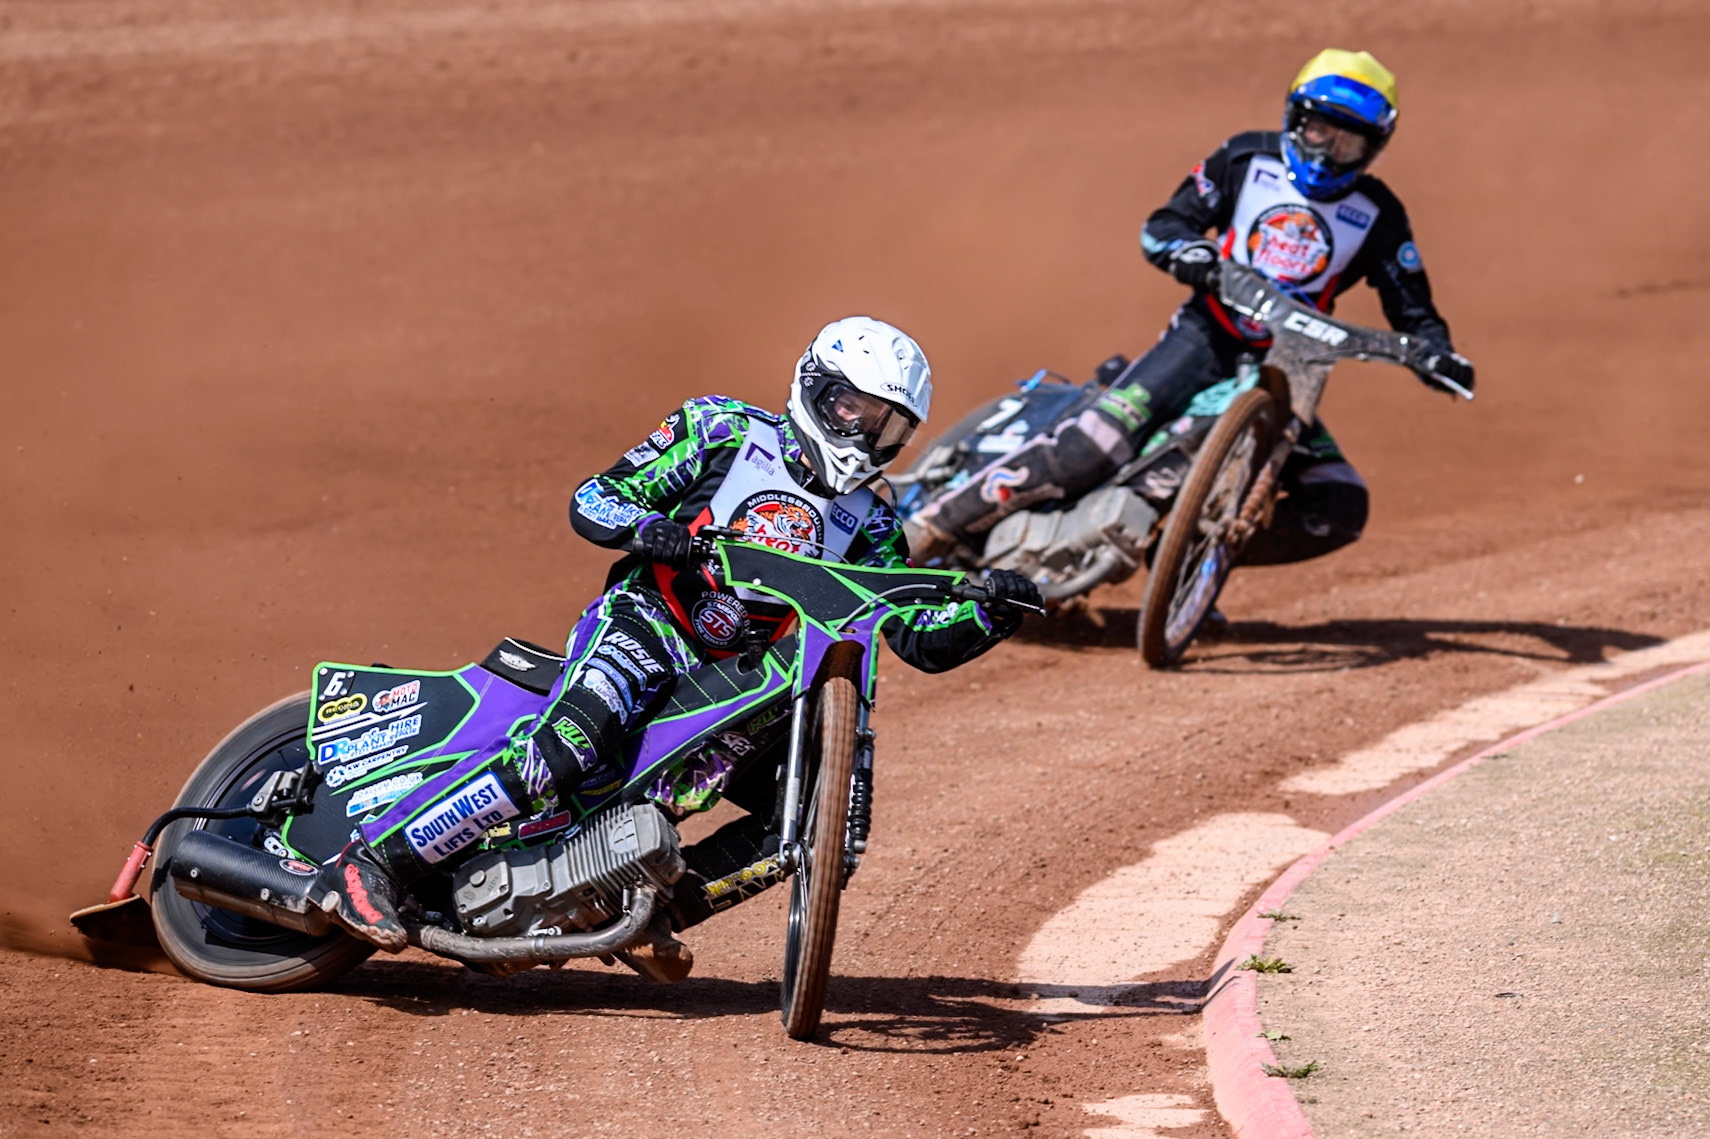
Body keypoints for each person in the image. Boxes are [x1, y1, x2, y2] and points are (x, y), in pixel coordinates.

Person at [312, 316, 1043, 959]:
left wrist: (991, 608)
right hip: (648, 623)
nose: (866, 435)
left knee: (813, 812)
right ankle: (372, 865)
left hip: (738, 680)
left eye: (887, 426)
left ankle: (643, 909)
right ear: (818, 390)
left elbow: (915, 634)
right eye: (856, 409)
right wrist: (649, 530)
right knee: (569, 745)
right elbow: (595, 497)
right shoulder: (723, 429)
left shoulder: (874, 523)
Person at [905, 48, 1476, 566]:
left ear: (1374, 148)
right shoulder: (1246, 159)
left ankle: (1181, 563)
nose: (1329, 152)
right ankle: (931, 526)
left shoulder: (1380, 215)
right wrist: (1193, 254)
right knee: (1095, 445)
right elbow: (1164, 224)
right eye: (1320, 130)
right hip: (1205, 336)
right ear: (1294, 119)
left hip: (1292, 367)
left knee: (1339, 502)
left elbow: (1414, 309)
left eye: (1349, 141)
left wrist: (1438, 355)